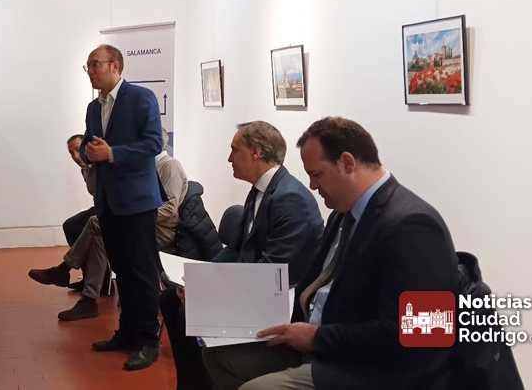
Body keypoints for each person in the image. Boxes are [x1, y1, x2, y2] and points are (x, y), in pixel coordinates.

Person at [229, 117, 459, 390]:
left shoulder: (413, 226)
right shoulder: (343, 215)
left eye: (317, 175)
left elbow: (423, 335)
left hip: (373, 369)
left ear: (347, 163)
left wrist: (317, 338)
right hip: (323, 347)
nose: (312, 186)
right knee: (221, 355)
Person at [160, 121, 323, 390]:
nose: (229, 158)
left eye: (235, 150)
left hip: (278, 303)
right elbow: (236, 248)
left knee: (189, 308)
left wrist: (209, 288)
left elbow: (272, 273)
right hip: (255, 287)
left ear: (256, 152)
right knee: (170, 298)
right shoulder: (261, 190)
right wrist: (199, 278)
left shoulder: (290, 199)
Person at [29, 130, 189, 322]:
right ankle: (89, 299)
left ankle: (65, 270)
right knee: (100, 232)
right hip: (142, 224)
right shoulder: (146, 166)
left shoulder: (168, 166)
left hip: (161, 230)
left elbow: (170, 209)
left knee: (96, 222)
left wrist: (134, 217)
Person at [80, 44, 164, 371]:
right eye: (88, 66)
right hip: (108, 201)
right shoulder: (93, 107)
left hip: (137, 202)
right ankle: (127, 332)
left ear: (115, 65)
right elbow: (88, 143)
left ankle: (148, 340)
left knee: (142, 273)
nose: (90, 71)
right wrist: (88, 152)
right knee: (122, 271)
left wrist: (112, 153)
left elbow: (154, 143)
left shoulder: (141, 98)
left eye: (95, 65)